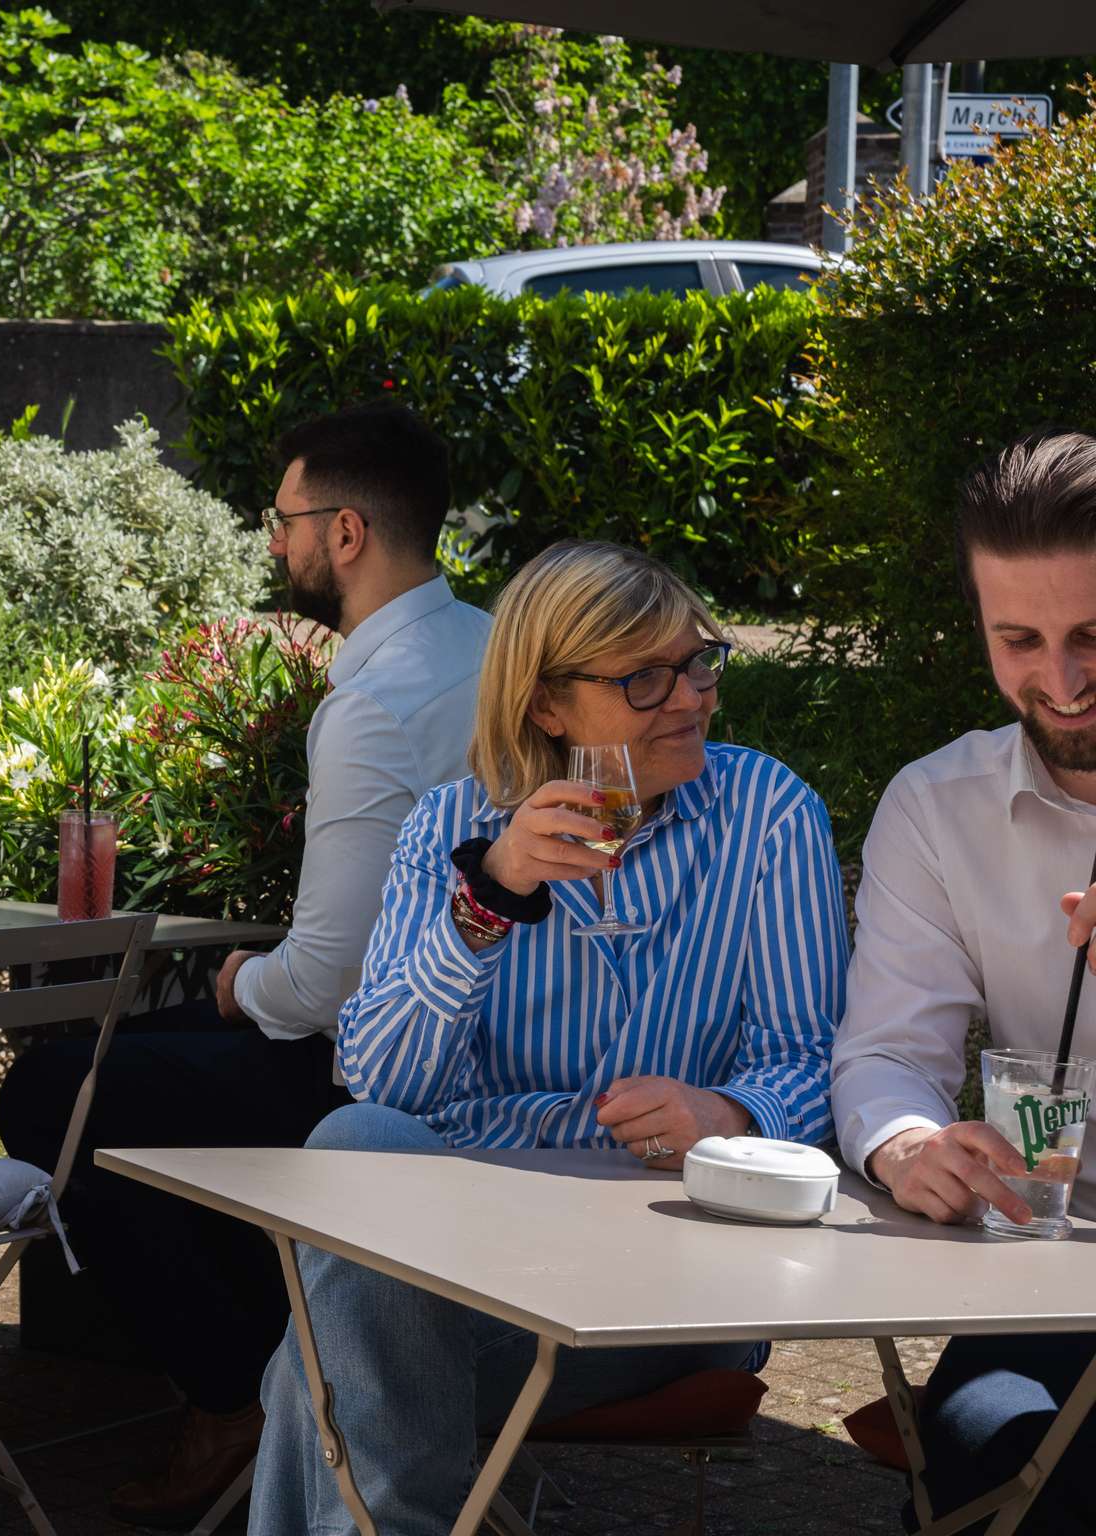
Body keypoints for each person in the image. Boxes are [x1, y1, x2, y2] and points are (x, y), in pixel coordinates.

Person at [252, 539, 848, 1535]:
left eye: (696, 661)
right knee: (358, 1152)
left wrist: (724, 1110)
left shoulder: (765, 814)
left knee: (314, 1368)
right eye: (644, 678)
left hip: (666, 1267)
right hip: (466, 1256)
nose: (691, 698)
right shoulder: (452, 826)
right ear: (545, 705)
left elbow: (804, 1058)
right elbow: (377, 1082)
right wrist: (487, 901)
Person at [0, 402, 494, 1528]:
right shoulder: (485, 645)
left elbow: (321, 983)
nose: (273, 545)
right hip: (490, 1044)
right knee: (131, 1063)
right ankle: (286, 1360)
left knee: (51, 1091)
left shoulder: (376, 698)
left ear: (347, 532)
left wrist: (238, 983)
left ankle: (244, 1394)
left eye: (284, 522)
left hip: (376, 1075)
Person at [833, 430, 1096, 1532]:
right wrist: (905, 1145)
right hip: (1051, 1270)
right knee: (982, 1461)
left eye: (1093, 635)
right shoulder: (934, 808)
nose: (1062, 681)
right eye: (1019, 640)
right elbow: (887, 1052)